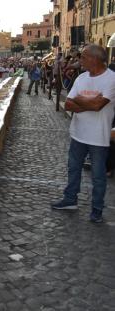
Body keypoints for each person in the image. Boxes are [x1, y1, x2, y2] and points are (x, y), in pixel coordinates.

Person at [52, 45, 115, 223]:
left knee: (98, 175)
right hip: (78, 133)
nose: (80, 60)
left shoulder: (111, 79)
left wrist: (81, 100)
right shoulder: (81, 78)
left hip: (98, 136)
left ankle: (96, 209)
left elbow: (98, 106)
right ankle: (70, 199)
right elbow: (69, 104)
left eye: (84, 57)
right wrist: (89, 102)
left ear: (94, 59)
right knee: (73, 169)